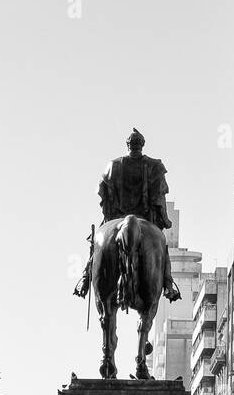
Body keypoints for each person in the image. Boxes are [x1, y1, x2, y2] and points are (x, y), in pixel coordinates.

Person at [74, 128, 180, 301]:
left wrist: (110, 216)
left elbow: (104, 194)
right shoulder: (155, 166)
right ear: (142, 145)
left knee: (96, 243)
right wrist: (162, 219)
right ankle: (168, 284)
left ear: (128, 145)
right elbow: (159, 196)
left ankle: (86, 277)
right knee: (162, 245)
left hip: (116, 218)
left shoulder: (113, 165)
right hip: (146, 220)